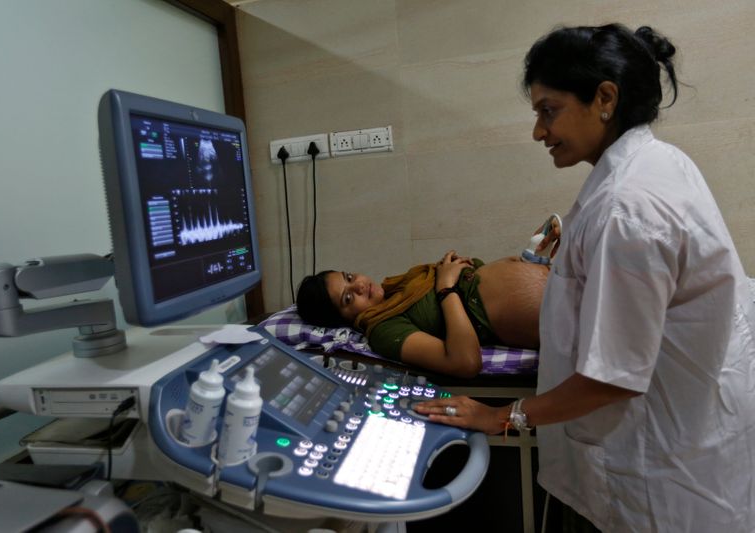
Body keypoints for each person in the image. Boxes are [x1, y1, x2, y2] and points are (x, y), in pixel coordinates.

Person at [415, 23, 755, 532]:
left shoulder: (626, 208)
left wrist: (502, 416)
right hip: (693, 430)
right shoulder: (655, 165)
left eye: (548, 111)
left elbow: (612, 376)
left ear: (605, 98)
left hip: (660, 468)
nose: (538, 131)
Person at [296, 252, 549, 378]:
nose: (359, 285)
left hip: (559, 281)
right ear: (344, 320)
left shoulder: (398, 288)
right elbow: (465, 362)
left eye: (349, 277)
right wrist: (445, 287)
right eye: (348, 298)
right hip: (555, 312)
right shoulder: (383, 330)